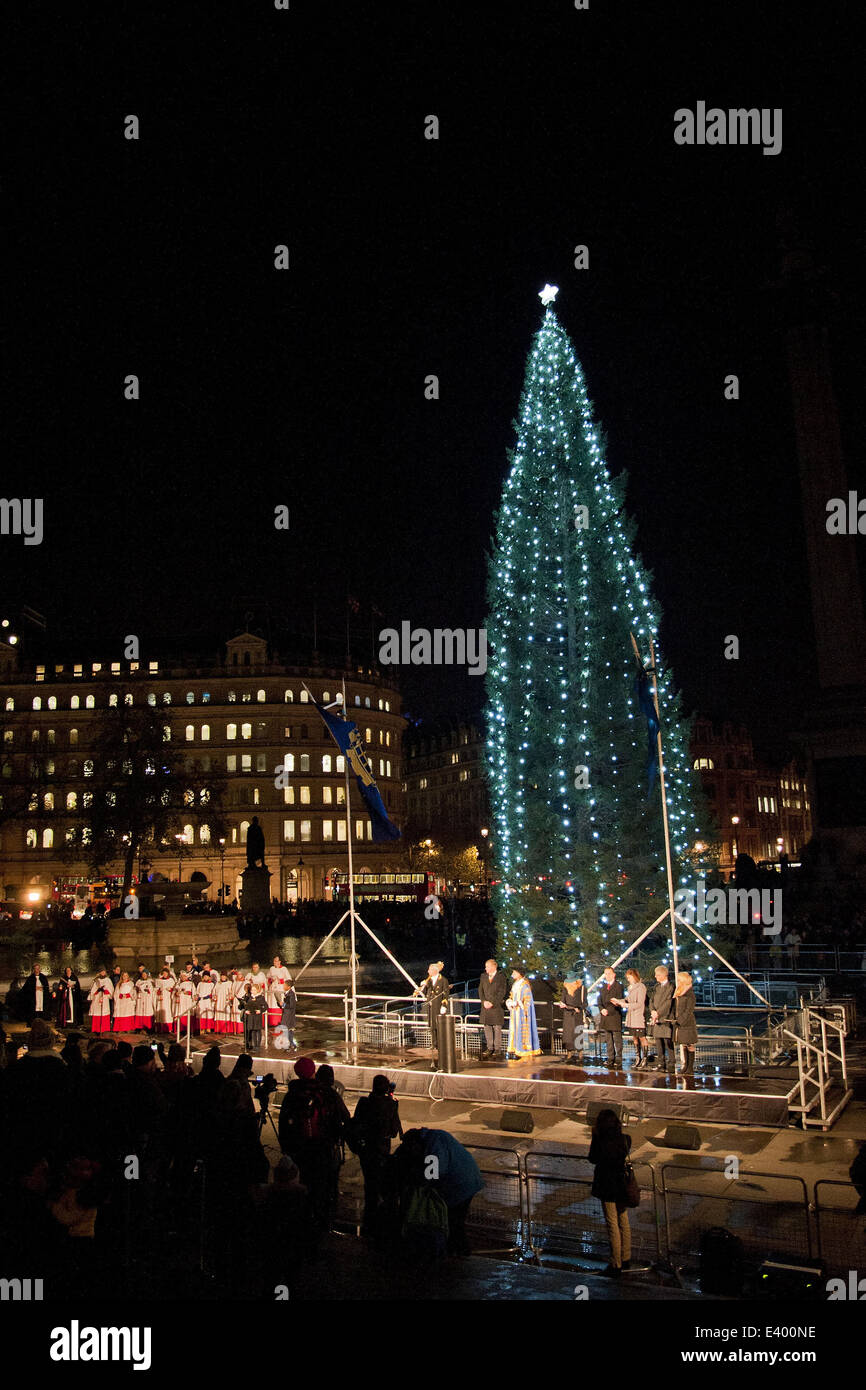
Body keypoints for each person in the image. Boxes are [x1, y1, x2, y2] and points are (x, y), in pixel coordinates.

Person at [400, 1128, 484, 1257]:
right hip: (465, 1181)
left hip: (461, 1184)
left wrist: (422, 1182)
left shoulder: (433, 1143)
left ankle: (460, 1255)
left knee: (453, 1223)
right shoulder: (433, 1138)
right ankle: (456, 1253)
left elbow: (435, 1172)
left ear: (416, 1141)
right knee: (453, 1223)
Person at [352, 1074, 403, 1235]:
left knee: (370, 1185)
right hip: (381, 1150)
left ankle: (369, 1220)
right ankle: (381, 1224)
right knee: (383, 1185)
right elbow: (395, 1132)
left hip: (366, 1149)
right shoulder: (390, 1104)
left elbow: (356, 1123)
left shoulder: (364, 1103)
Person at [588, 1107, 633, 1276]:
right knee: (623, 1221)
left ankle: (616, 1263)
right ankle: (626, 1257)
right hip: (621, 1184)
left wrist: (595, 1136)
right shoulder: (626, 1139)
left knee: (612, 1223)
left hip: (607, 1185)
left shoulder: (601, 1141)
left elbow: (593, 1158)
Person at [505, 966, 541, 1059]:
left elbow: (527, 1001)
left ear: (519, 973)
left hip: (521, 1012)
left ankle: (521, 1050)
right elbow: (512, 995)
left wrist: (519, 1004)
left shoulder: (524, 985)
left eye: (514, 972)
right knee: (514, 1029)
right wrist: (510, 1001)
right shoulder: (515, 984)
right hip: (515, 1012)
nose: (512, 974)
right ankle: (514, 1049)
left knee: (521, 1030)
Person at [420, 962, 450, 1071]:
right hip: (431, 1006)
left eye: (429, 970)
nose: (428, 972)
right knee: (432, 1026)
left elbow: (445, 994)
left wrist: (444, 1005)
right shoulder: (429, 980)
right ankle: (434, 1043)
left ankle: (440, 1045)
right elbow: (427, 991)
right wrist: (423, 985)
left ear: (435, 971)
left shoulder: (443, 980)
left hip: (438, 1006)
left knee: (439, 1027)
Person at [478, 958, 507, 1060]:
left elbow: (502, 991)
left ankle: (497, 1049)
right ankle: (489, 1047)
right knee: (487, 1027)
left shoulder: (501, 976)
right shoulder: (483, 976)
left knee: (497, 1027)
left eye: (487, 967)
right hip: (485, 1006)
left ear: (493, 967)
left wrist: (493, 1003)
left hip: (496, 1006)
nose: (486, 969)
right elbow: (480, 990)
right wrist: (484, 1001)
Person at [619, 968, 648, 1068]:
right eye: (627, 978)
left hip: (638, 1016)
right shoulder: (630, 988)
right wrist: (619, 1001)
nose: (628, 979)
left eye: (629, 977)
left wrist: (627, 1005)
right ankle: (638, 1057)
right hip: (631, 1017)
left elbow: (639, 1003)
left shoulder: (641, 987)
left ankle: (645, 1058)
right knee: (634, 1037)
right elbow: (627, 1000)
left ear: (634, 976)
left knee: (641, 1037)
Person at [648, 965, 675, 1073]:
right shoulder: (656, 987)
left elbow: (668, 1003)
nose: (656, 977)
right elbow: (651, 1001)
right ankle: (661, 1063)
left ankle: (671, 1063)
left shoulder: (671, 987)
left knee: (667, 1042)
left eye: (658, 975)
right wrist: (652, 1011)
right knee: (658, 1041)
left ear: (664, 975)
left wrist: (658, 1013)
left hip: (665, 1018)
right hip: (656, 1018)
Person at [596, 966, 624, 1069]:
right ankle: (610, 1058)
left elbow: (619, 1000)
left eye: (608, 973)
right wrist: (601, 1009)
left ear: (613, 974)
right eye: (605, 974)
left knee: (617, 1039)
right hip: (605, 1016)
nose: (607, 976)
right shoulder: (602, 987)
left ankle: (619, 1059)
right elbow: (599, 1001)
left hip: (615, 1015)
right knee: (608, 1039)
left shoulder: (618, 986)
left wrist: (610, 1009)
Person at [557, 972, 588, 1063]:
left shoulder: (582, 989)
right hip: (568, 1014)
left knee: (578, 1033)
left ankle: (580, 1053)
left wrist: (579, 1008)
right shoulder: (565, 989)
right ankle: (569, 1052)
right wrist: (562, 1004)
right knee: (568, 1034)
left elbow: (585, 1003)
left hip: (577, 1014)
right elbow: (563, 1000)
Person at [673, 971, 698, 1075]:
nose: (677, 982)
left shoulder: (690, 993)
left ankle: (690, 1067)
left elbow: (689, 1009)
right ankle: (685, 1066)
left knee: (689, 1044)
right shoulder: (679, 991)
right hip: (679, 1022)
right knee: (683, 1043)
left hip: (687, 1022)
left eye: (679, 980)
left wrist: (681, 1020)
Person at [266, 956, 291, 1030]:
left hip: (281, 987)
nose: (275, 963)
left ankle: (282, 1020)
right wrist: (271, 980)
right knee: (272, 1003)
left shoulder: (284, 969)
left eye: (277, 961)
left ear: (280, 962)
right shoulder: (271, 968)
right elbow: (268, 977)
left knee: (280, 1003)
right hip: (273, 988)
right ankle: (272, 1021)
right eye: (274, 961)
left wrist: (281, 981)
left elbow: (289, 979)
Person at [240, 983, 266, 1051]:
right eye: (252, 990)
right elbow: (247, 1006)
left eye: (254, 990)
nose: (253, 991)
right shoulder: (250, 998)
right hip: (251, 1016)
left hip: (257, 1017)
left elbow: (266, 1006)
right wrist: (246, 1011)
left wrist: (260, 1010)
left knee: (258, 1031)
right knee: (253, 1031)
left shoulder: (260, 998)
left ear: (258, 990)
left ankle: (258, 1046)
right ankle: (254, 1046)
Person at [274, 975, 297, 1050]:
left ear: (289, 987)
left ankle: (289, 1044)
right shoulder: (286, 994)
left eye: (284, 985)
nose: (283, 986)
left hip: (289, 1015)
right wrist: (280, 1003)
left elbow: (291, 1005)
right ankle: (291, 1044)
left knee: (287, 1030)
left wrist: (283, 1004)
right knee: (288, 1029)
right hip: (286, 1014)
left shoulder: (291, 994)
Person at [152, 968, 175, 1033]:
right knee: (159, 1011)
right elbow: (155, 988)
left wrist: (170, 989)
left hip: (167, 998)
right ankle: (159, 1028)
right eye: (163, 973)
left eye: (166, 973)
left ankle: (168, 1028)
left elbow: (173, 989)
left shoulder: (171, 980)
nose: (165, 974)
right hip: (160, 998)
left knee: (167, 1011)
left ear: (168, 973)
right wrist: (158, 990)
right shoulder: (159, 980)